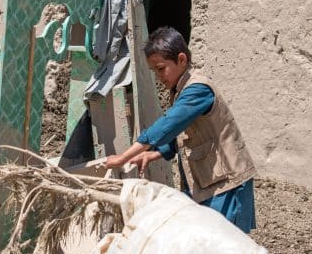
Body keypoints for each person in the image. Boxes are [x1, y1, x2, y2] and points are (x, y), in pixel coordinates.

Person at [104, 26, 257, 233]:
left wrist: (123, 157)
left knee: (225, 249)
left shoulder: (198, 89)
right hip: (210, 183)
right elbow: (185, 136)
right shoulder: (181, 89)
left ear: (182, 60)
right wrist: (153, 155)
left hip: (227, 185)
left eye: (161, 68)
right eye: (154, 71)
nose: (159, 76)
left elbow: (167, 126)